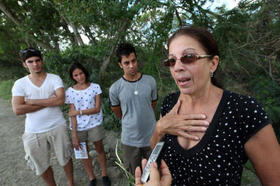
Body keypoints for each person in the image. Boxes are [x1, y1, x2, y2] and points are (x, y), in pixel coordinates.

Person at [150, 27, 280, 185]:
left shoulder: (243, 110)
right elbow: (155, 152)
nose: (177, 67)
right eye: (172, 61)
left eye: (189, 57)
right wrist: (159, 128)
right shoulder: (169, 103)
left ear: (212, 63)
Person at [11, 48, 74, 186]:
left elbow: (60, 100)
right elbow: (17, 109)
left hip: (57, 125)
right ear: (24, 64)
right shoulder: (20, 84)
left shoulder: (54, 78)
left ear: (42, 61)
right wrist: (49, 101)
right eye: (30, 61)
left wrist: (32, 101)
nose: (35, 64)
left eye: (37, 60)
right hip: (33, 130)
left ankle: (71, 183)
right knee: (41, 164)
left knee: (65, 158)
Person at [109, 43, 158, 174]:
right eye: (126, 63)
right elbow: (117, 111)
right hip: (130, 140)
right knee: (134, 174)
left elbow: (152, 104)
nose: (131, 66)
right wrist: (130, 119)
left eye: (133, 61)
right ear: (120, 64)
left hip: (152, 136)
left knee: (154, 173)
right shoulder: (115, 88)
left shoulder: (150, 81)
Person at [65, 62, 111, 186]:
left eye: (81, 73)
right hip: (79, 128)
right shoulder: (70, 91)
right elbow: (72, 115)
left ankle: (104, 174)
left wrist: (79, 111)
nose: (80, 77)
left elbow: (96, 108)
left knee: (100, 149)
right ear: (72, 77)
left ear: (85, 72)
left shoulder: (95, 87)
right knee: (83, 153)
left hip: (94, 124)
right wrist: (74, 135)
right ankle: (92, 177)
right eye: (76, 75)